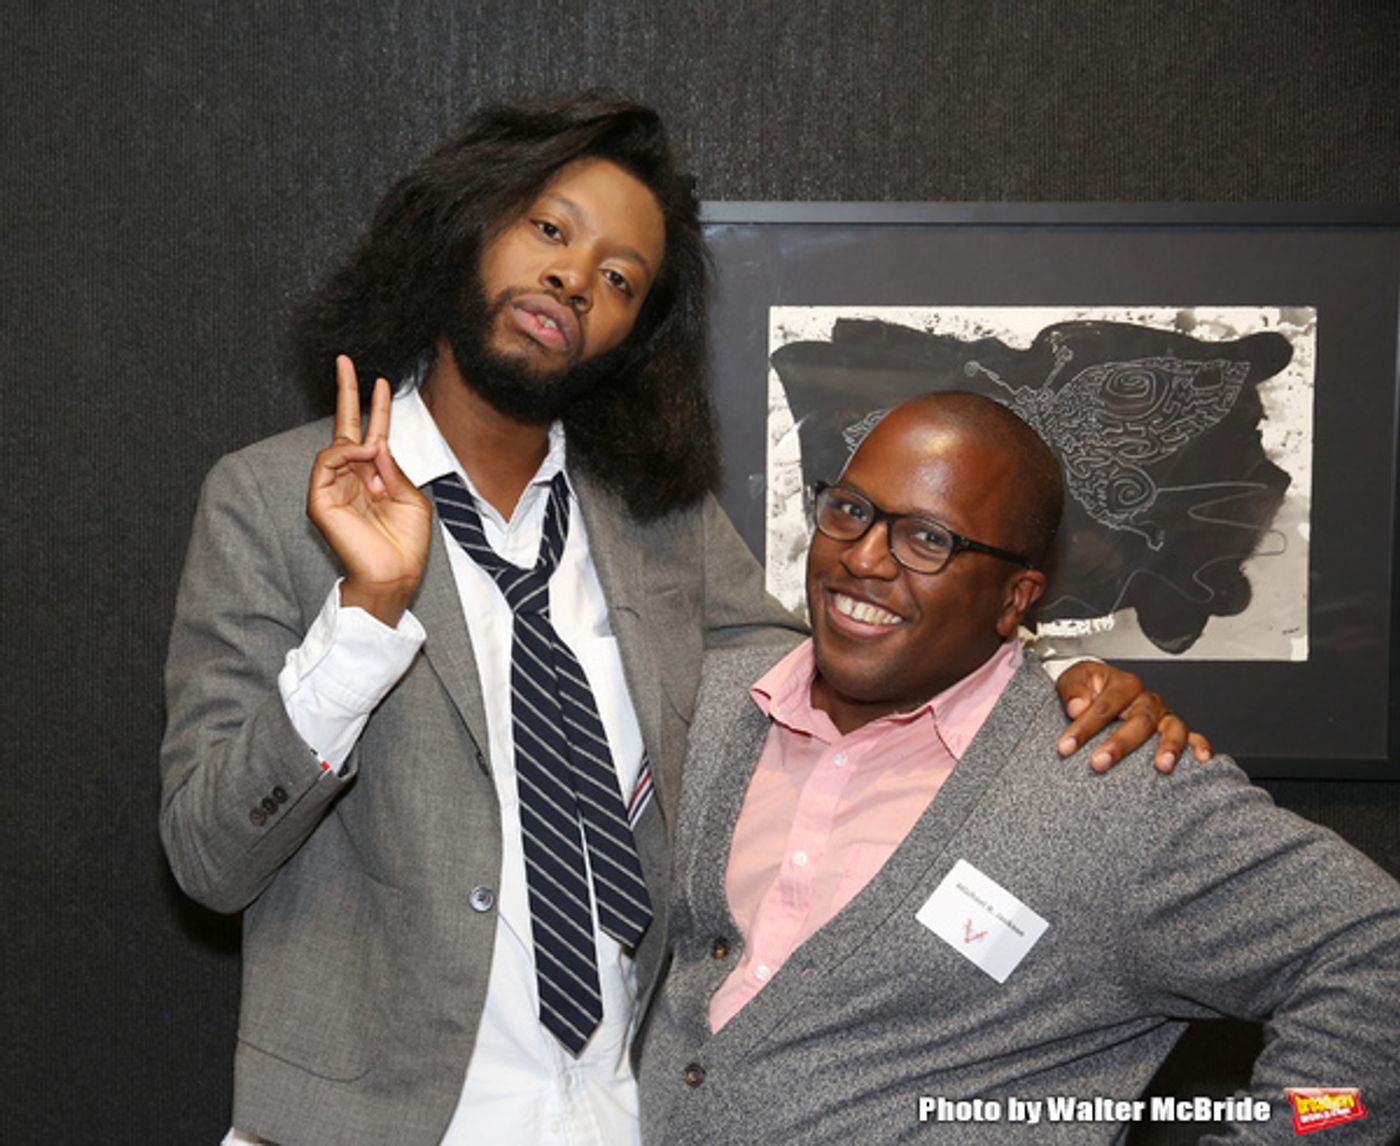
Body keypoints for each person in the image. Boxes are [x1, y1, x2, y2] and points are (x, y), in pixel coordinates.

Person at [160, 96, 1198, 1146]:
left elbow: (833, 682)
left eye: (619, 279)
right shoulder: (271, 497)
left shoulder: (662, 525)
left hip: (618, 1113)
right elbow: (209, 857)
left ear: (631, 335)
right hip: (361, 1122)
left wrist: (1043, 685)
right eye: (550, 230)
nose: (574, 278)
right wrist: (368, 614)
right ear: (468, 227)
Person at [638, 391, 1400, 1144]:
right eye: (849, 510)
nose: (863, 557)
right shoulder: (705, 703)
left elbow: (1380, 959)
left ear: (1015, 599)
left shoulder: (1114, 789)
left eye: (929, 540)